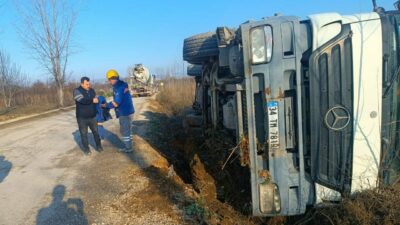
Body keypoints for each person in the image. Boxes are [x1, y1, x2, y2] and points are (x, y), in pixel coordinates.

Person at [103, 69, 135, 153]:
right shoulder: (123, 84)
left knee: (124, 131)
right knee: (128, 129)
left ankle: (128, 148)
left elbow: (116, 103)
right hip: (130, 111)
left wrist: (106, 105)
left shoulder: (118, 88)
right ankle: (130, 145)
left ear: (112, 78)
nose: (109, 82)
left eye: (109, 80)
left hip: (124, 112)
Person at [73, 77, 103, 155]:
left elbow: (96, 99)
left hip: (92, 117)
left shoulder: (92, 90)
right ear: (82, 84)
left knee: (96, 132)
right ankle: (87, 149)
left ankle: (99, 146)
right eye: (86, 84)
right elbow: (81, 100)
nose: (88, 85)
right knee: (84, 134)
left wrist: (98, 101)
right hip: (82, 118)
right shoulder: (77, 91)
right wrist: (92, 100)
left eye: (89, 84)